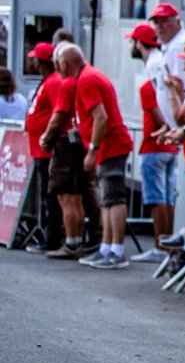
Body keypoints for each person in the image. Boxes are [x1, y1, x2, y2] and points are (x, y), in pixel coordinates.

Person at [57, 44, 135, 270]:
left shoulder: (86, 80)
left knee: (113, 199)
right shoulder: (90, 75)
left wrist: (92, 149)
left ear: (64, 63)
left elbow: (101, 117)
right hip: (109, 145)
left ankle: (116, 251)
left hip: (111, 146)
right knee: (107, 200)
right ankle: (107, 248)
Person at [125, 23, 176, 262]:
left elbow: (158, 116)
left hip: (154, 146)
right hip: (168, 145)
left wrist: (165, 129)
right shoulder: (155, 82)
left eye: (133, 41)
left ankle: (160, 245)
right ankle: (165, 244)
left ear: (139, 43)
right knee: (167, 198)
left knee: (157, 198)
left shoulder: (148, 87)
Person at [23, 43, 66, 254]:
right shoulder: (49, 82)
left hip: (47, 149)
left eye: (35, 59)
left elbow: (60, 113)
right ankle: (49, 235)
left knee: (51, 195)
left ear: (41, 62)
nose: (32, 62)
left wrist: (48, 137)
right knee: (46, 194)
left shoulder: (54, 82)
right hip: (41, 148)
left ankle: (53, 238)